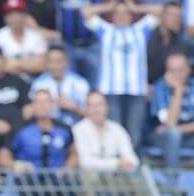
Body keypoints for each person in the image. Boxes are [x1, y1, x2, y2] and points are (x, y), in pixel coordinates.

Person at [83, 1, 162, 148]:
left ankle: (131, 166)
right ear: (112, 16)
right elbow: (85, 13)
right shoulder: (105, 30)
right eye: (118, 13)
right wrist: (109, 5)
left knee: (134, 133)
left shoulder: (141, 29)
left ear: (131, 16)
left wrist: (136, 7)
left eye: (125, 13)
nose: (121, 16)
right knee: (114, 131)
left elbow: (161, 11)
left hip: (136, 91)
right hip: (111, 91)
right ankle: (117, 167)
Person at [0, 89, 77, 171]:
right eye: (38, 102)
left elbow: (74, 154)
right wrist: (18, 165)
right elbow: (2, 158)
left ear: (52, 104)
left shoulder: (64, 129)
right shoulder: (19, 129)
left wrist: (67, 167)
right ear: (32, 105)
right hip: (26, 180)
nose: (42, 105)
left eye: (46, 102)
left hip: (59, 180)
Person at [149, 51, 194, 172]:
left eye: (180, 70)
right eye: (172, 70)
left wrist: (181, 129)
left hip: (189, 136)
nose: (177, 74)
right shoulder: (160, 87)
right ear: (166, 72)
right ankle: (172, 180)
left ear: (188, 69)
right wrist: (178, 90)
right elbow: (170, 124)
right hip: (162, 137)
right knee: (173, 134)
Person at [72, 90, 138, 170]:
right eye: (92, 105)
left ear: (107, 107)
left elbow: (132, 158)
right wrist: (117, 163)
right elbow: (85, 162)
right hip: (89, 177)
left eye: (99, 104)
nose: (96, 109)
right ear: (86, 108)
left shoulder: (117, 128)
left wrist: (128, 163)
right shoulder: (78, 130)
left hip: (116, 176)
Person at [29, 45, 90, 126]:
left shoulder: (80, 83)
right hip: (49, 130)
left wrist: (74, 107)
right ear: (46, 63)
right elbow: (31, 112)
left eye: (58, 61)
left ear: (66, 62)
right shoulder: (38, 84)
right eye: (51, 61)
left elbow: (93, 114)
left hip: (77, 128)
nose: (55, 66)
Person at [0, 0, 47, 77]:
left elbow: (41, 65)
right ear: (5, 18)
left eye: (18, 13)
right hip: (7, 82)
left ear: (25, 15)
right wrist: (29, 63)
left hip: (34, 81)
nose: (15, 17)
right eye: (11, 14)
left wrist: (14, 63)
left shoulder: (36, 36)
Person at [147, 1, 191, 85]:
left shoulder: (185, 43)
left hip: (175, 88)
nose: (176, 19)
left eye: (178, 16)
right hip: (149, 89)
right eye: (172, 15)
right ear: (162, 16)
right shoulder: (147, 37)